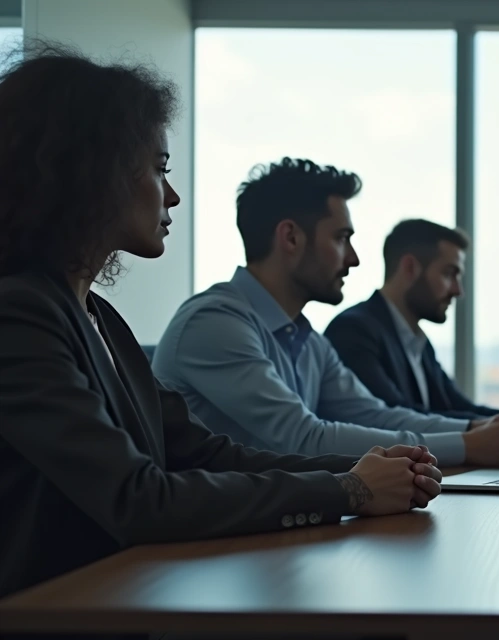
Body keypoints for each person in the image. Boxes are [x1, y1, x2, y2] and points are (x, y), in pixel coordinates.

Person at [0, 43, 442, 601]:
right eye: (159, 170)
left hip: (126, 596)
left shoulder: (98, 317)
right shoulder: (19, 315)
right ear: (91, 172)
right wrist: (349, 490)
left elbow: (207, 452)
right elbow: (139, 499)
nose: (174, 195)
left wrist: (366, 467)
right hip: (62, 615)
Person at [152, 158, 499, 469]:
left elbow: (376, 415)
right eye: (342, 239)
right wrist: (466, 445)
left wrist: (479, 429)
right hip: (204, 552)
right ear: (290, 237)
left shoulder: (307, 340)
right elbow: (304, 439)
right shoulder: (216, 323)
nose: (354, 259)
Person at [325, 219, 499, 441]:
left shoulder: (416, 341)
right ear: (410, 268)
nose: (458, 290)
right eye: (449, 274)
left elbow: (456, 406)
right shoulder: (354, 331)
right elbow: (396, 416)